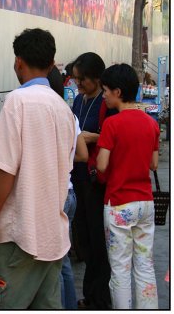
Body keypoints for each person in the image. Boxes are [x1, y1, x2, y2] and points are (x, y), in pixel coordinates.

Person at [0, 28, 75, 309]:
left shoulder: (18, 100)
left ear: (18, 62)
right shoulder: (63, 109)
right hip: (53, 234)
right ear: (52, 65)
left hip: (19, 234)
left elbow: (5, 168)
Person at [97, 63, 159, 309]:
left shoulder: (113, 124)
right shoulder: (151, 123)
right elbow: (154, 164)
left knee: (120, 268)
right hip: (145, 203)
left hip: (119, 203)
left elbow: (101, 165)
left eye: (105, 91)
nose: (104, 96)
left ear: (118, 92)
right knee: (145, 265)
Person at [70, 52, 117, 309]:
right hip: (77, 175)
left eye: (82, 80)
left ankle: (99, 297)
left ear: (97, 78)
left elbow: (110, 136)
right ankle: (91, 295)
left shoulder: (105, 103)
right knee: (83, 238)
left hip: (95, 178)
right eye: (76, 80)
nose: (78, 85)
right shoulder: (78, 100)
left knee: (98, 240)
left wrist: (91, 137)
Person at [60, 116, 88, 310]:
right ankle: (69, 306)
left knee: (54, 263)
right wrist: (65, 159)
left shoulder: (42, 113)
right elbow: (83, 155)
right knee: (62, 259)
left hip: (56, 196)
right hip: (69, 193)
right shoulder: (71, 116)